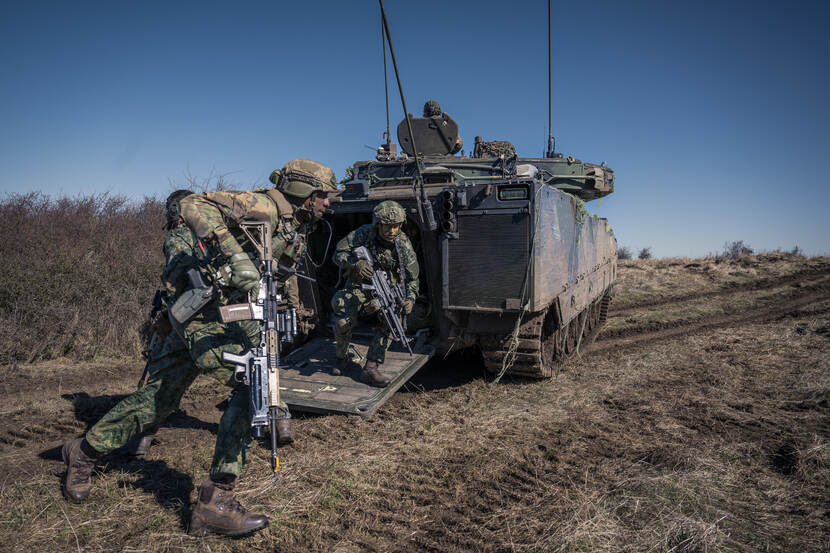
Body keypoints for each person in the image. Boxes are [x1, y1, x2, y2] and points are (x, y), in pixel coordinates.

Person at [61, 159, 336, 537]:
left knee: (157, 400)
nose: (326, 203)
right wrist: (236, 259)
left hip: (222, 317)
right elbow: (194, 206)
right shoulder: (264, 205)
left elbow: (276, 272)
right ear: (303, 190)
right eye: (321, 194)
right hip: (205, 316)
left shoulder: (294, 226)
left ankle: (84, 452)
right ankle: (215, 502)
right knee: (249, 385)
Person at [330, 200, 419, 386]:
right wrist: (356, 264)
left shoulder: (403, 245)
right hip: (358, 288)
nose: (392, 231)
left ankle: (371, 368)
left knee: (393, 316)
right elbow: (338, 254)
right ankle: (342, 358)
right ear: (378, 224)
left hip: (386, 292)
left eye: (396, 226)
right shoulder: (363, 233)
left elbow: (413, 278)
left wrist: (410, 298)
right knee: (342, 316)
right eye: (387, 226)